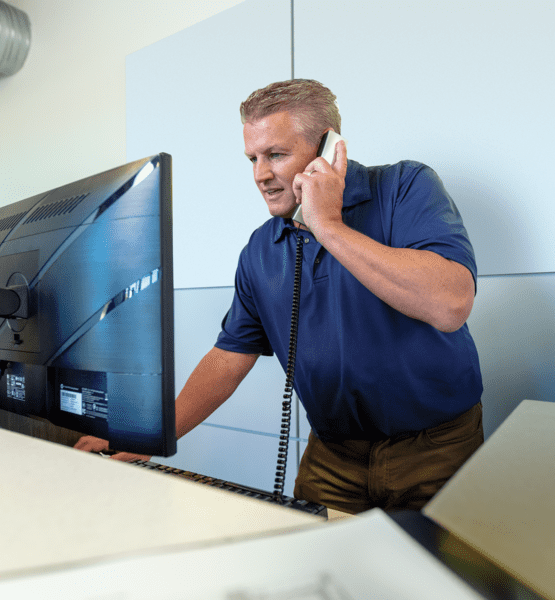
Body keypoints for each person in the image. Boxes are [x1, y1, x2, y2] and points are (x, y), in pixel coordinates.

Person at [76, 79, 484, 513]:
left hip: (436, 449)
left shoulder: (405, 186)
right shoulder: (260, 249)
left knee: (434, 575)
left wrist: (327, 225)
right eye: (253, 158)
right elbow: (228, 358)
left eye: (275, 155)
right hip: (333, 455)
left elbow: (450, 304)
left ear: (327, 148)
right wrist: (149, 435)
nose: (260, 175)